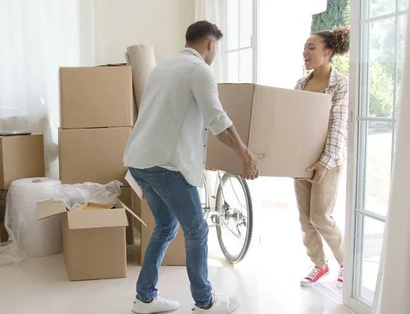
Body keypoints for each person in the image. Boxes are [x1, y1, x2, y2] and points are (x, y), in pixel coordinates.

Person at [124, 20, 261, 314]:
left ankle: (144, 298)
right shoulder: (200, 70)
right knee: (197, 230)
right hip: (165, 166)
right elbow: (218, 121)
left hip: (139, 162)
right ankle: (205, 303)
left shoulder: (161, 69)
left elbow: (172, 120)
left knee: (165, 226)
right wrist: (245, 153)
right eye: (217, 48)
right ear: (210, 44)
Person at [295, 26, 350, 288]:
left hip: (328, 162)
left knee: (321, 217)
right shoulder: (301, 83)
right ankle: (319, 265)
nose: (304, 52)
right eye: (305, 47)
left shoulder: (340, 84)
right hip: (300, 160)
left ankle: (346, 263)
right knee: (305, 220)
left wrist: (324, 163)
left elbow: (338, 127)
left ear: (328, 52)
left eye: (311, 47)